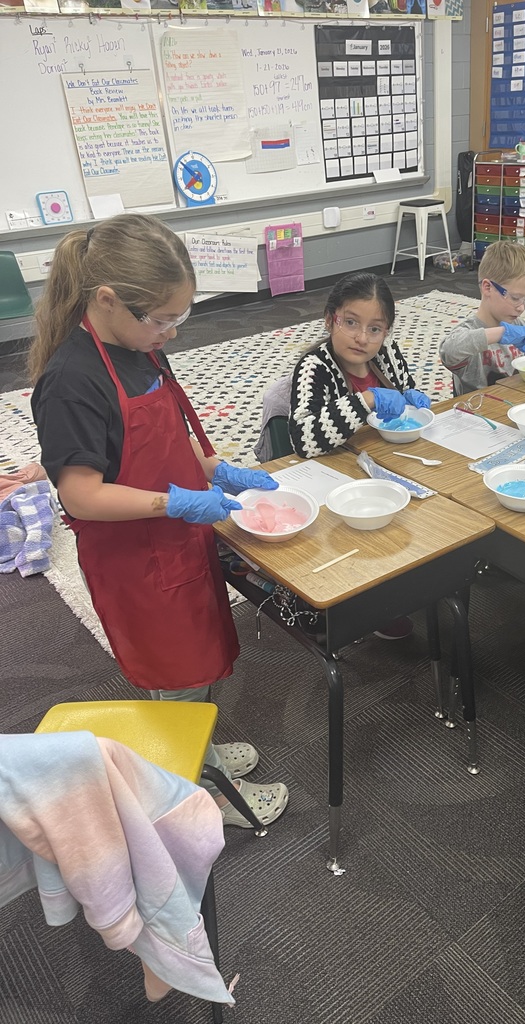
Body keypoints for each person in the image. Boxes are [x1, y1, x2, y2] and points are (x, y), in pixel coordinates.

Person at [29, 213, 289, 829]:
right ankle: (192, 793)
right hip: (138, 564)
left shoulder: (137, 345)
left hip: (177, 545)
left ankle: (198, 746)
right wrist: (173, 501)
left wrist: (218, 470)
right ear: (107, 300)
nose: (171, 333)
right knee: (173, 679)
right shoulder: (72, 380)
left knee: (197, 664)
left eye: (181, 317)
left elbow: (173, 429)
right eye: (162, 319)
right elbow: (81, 494)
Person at [289, 271, 430, 640]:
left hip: (385, 460)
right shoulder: (314, 367)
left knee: (423, 517)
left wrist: (413, 397)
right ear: (330, 318)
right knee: (366, 534)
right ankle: (363, 602)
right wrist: (365, 399)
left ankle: (397, 586)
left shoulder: (387, 355)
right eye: (350, 323)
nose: (361, 338)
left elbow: (405, 391)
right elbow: (305, 440)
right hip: (336, 474)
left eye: (375, 329)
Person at [439, 240, 525, 395]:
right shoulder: (469, 330)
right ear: (488, 288)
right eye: (515, 298)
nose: (521, 307)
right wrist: (500, 333)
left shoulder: (518, 325)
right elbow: (449, 351)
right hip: (477, 413)